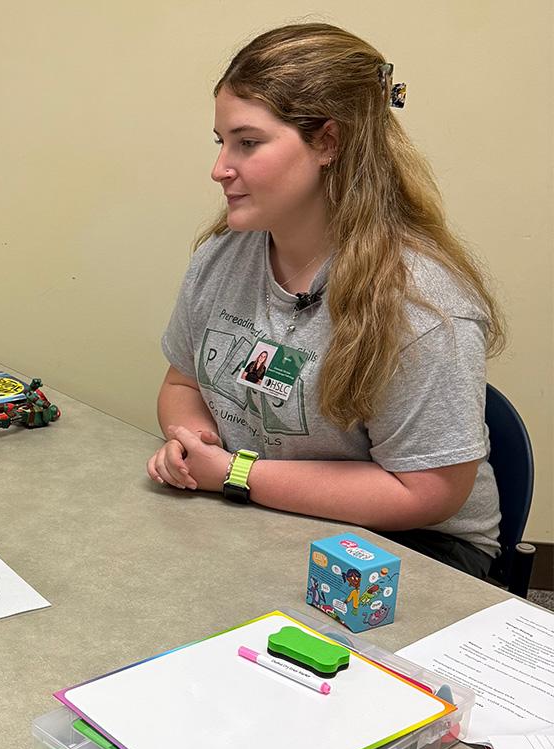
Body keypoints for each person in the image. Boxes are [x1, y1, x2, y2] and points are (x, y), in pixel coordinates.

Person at [148, 23, 505, 579]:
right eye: (221, 142)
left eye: (248, 142)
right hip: (267, 511)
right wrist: (194, 442)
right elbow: (181, 385)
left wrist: (238, 474)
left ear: (329, 143)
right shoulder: (224, 255)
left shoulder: (425, 306)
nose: (220, 169)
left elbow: (429, 493)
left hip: (415, 549)